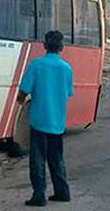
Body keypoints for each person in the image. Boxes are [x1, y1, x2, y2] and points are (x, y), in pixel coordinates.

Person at [17, 31, 73, 207]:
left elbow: (23, 92)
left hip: (39, 121)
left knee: (38, 159)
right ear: (61, 47)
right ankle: (62, 191)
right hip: (57, 122)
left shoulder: (36, 65)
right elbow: (68, 93)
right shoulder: (66, 68)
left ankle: (39, 195)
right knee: (56, 158)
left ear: (44, 45)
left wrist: (21, 101)